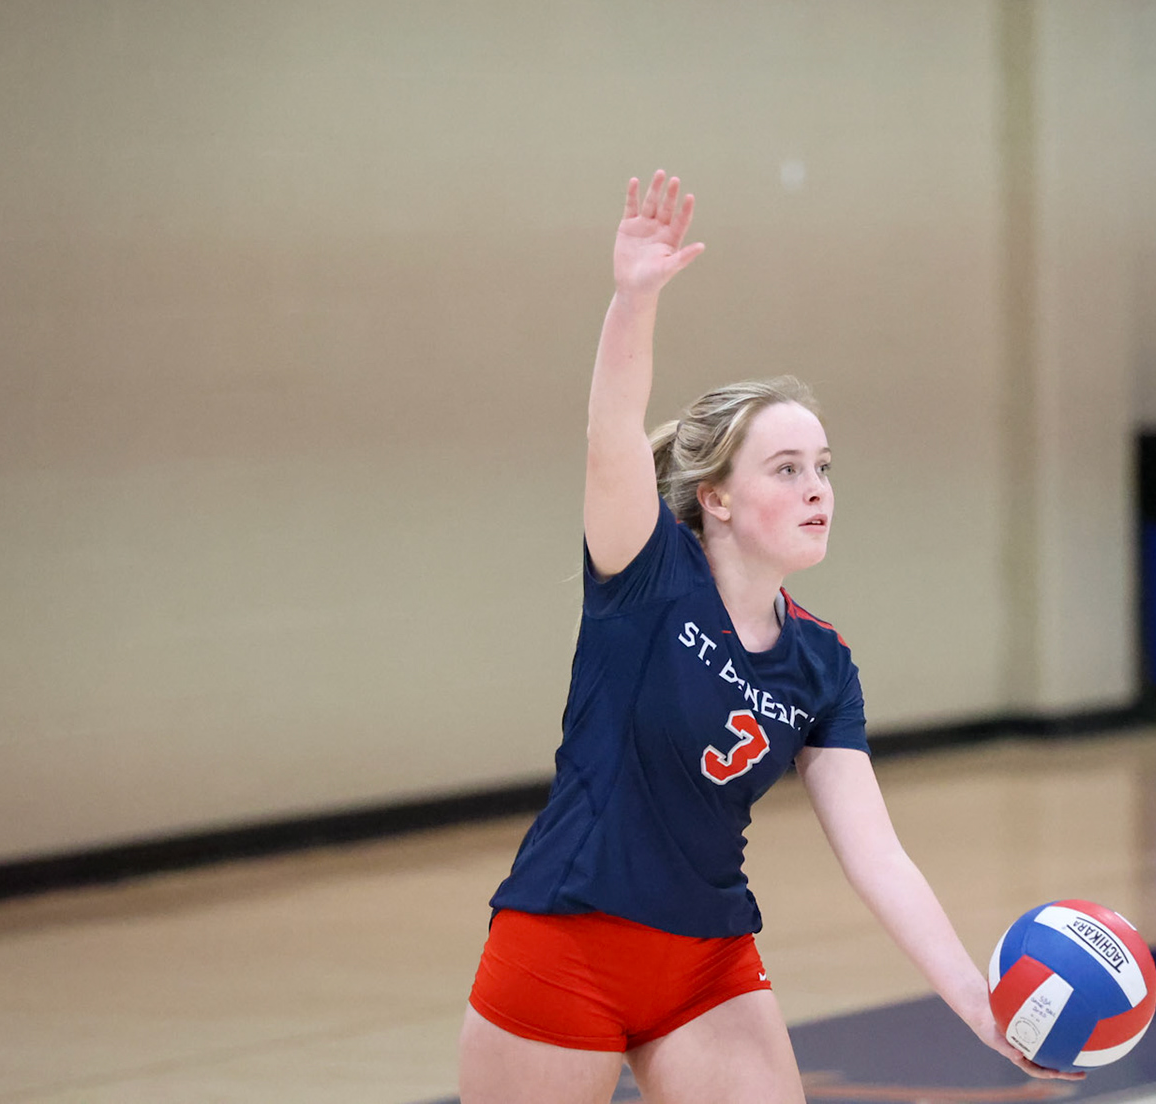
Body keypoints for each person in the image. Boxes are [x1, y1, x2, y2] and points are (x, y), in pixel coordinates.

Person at [457, 172, 1075, 1103]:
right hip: (564, 941)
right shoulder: (646, 576)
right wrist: (634, 300)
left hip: (705, 966)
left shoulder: (822, 665)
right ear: (716, 497)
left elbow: (877, 857)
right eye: (787, 469)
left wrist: (978, 1007)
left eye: (824, 466)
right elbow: (611, 428)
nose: (818, 487)